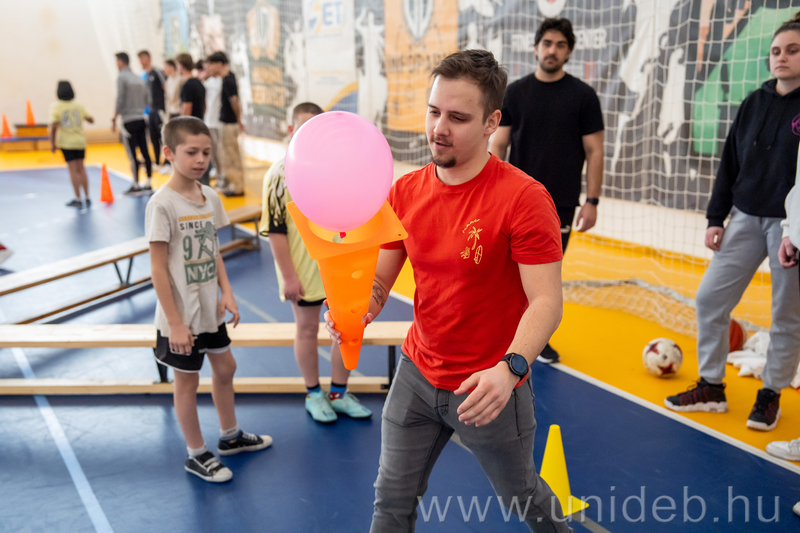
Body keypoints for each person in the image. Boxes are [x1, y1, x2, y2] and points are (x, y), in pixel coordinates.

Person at [325, 50, 571, 532]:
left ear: (491, 122)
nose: (439, 128)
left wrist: (510, 369)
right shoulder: (405, 192)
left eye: (457, 118)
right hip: (417, 374)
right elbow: (381, 281)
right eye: (434, 111)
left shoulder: (524, 199)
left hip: (488, 385)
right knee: (390, 501)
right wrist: (358, 309)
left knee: (522, 498)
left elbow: (546, 301)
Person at [664, 15, 800, 433]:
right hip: (744, 216)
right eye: (775, 51)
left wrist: (795, 230)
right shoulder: (754, 102)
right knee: (709, 298)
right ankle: (711, 386)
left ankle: (770, 393)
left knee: (787, 315)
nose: (781, 57)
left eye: (793, 50)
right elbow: (730, 163)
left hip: (792, 226)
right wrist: (715, 217)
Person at [146, 116, 271, 483]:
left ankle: (230, 436)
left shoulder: (210, 197)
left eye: (205, 152)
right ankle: (196, 453)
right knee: (186, 382)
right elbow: (157, 269)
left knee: (226, 367)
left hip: (209, 310)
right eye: (191, 152)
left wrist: (226, 291)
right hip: (180, 317)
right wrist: (176, 323)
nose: (200, 159)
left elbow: (213, 249)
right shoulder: (162, 204)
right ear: (169, 153)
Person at [489, 17, 604, 365]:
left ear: (569, 52)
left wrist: (592, 201)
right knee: (505, 273)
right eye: (547, 43)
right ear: (536, 47)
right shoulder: (515, 92)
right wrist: (492, 191)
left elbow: (595, 151)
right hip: (514, 201)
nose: (552, 50)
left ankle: (534, 340)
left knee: (544, 278)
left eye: (560, 45)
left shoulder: (583, 96)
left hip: (560, 203)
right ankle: (501, 335)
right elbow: (499, 144)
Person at [260, 102, 372, 424]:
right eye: (303, 129)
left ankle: (338, 393)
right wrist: (288, 276)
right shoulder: (279, 174)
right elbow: (276, 231)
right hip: (304, 270)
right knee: (307, 329)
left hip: (339, 267)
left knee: (346, 330)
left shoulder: (336, 169)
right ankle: (313, 393)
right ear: (291, 130)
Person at [111, 52, 153, 195]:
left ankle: (136, 184)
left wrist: (114, 117)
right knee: (145, 150)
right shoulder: (139, 78)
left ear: (121, 62)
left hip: (128, 119)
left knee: (132, 153)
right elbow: (148, 99)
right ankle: (148, 182)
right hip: (141, 118)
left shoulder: (121, 77)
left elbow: (120, 98)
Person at [206, 52, 246, 197]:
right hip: (225, 122)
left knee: (231, 156)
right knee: (227, 156)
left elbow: (235, 102)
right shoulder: (226, 78)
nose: (210, 68)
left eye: (212, 64)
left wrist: (239, 120)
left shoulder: (228, 80)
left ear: (219, 64)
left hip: (229, 124)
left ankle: (237, 186)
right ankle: (233, 183)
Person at [49, 81, 94, 207]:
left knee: (73, 170)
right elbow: (91, 119)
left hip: (67, 143)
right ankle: (87, 197)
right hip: (80, 141)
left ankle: (78, 198)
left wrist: (52, 142)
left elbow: (53, 126)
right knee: (81, 168)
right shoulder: (79, 106)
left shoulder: (56, 107)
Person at [176, 54, 208, 185]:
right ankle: (203, 186)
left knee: (192, 160)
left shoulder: (187, 85)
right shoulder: (199, 83)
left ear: (181, 66)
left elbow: (187, 108)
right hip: (199, 124)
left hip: (191, 129)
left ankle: (196, 188)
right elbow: (204, 105)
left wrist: (182, 127)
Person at [138, 50, 167, 171]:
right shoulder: (144, 75)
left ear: (148, 58)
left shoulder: (157, 72)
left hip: (160, 109)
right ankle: (157, 161)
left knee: (162, 136)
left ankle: (166, 162)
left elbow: (165, 87)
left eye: (142, 58)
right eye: (139, 59)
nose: (141, 61)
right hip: (151, 110)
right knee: (153, 137)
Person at [202, 58, 224, 190]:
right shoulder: (208, 83)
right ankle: (218, 175)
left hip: (217, 122)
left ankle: (222, 178)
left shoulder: (222, 81)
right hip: (208, 121)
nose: (208, 70)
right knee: (213, 153)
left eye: (210, 66)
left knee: (220, 153)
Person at [162, 59, 183, 175]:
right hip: (170, 112)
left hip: (178, 111)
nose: (164, 69)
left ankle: (180, 166)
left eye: (166, 67)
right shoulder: (168, 81)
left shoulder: (180, 80)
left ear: (172, 67)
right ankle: (171, 165)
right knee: (169, 140)